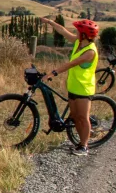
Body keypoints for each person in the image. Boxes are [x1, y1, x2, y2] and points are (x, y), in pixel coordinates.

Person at [40, 17, 100, 156]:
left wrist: (52, 73)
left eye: (78, 31)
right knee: (75, 117)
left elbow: (71, 64)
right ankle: (79, 142)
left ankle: (84, 146)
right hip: (73, 86)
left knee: (82, 117)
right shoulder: (78, 43)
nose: (76, 32)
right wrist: (50, 22)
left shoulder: (90, 52)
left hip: (84, 88)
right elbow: (62, 31)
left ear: (84, 35)